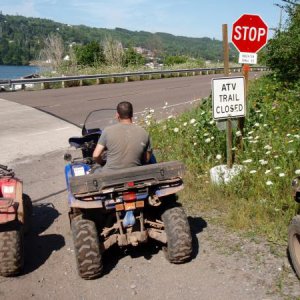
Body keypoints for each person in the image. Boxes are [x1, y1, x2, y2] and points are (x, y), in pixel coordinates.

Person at [93, 101, 152, 170]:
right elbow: (147, 159)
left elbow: (96, 155)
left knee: (94, 170)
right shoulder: (144, 132)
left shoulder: (107, 131)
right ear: (132, 114)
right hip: (135, 174)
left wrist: (102, 163)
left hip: (110, 175)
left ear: (117, 115)